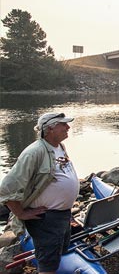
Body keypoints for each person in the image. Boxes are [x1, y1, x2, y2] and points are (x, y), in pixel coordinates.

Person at [0, 112, 78, 274]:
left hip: (62, 215)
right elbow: (8, 187)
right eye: (63, 124)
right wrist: (20, 212)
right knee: (47, 264)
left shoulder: (59, 147)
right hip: (46, 218)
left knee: (57, 253)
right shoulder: (34, 152)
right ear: (49, 128)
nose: (68, 127)